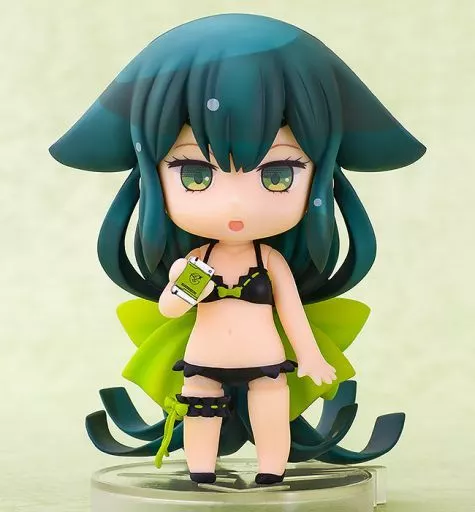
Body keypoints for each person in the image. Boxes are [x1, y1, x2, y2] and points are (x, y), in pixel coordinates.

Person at [49, 13, 425, 485]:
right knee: (200, 413)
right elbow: (169, 309)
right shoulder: (197, 261)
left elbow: (292, 313)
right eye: (195, 175)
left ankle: (271, 470)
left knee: (271, 409)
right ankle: (201, 471)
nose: (234, 205)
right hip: (203, 360)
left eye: (277, 175)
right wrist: (182, 289)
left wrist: (310, 356)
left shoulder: (270, 261)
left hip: (265, 361)